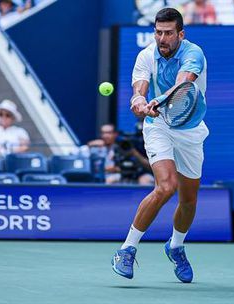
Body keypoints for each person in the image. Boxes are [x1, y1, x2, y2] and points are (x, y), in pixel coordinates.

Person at [111, 8, 209, 283]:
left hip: (190, 129)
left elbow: (183, 84)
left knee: (189, 201)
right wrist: (139, 102)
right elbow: (139, 90)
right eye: (158, 32)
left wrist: (160, 100)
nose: (162, 38)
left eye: (168, 33)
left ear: (180, 34)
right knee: (166, 187)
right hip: (160, 127)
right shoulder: (146, 55)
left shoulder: (193, 53)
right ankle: (126, 249)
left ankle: (176, 246)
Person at [88, 123, 153, 185]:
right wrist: (89, 144)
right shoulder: (95, 147)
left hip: (135, 174)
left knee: (146, 180)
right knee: (110, 179)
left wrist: (134, 153)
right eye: (103, 133)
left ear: (115, 134)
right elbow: (89, 167)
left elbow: (148, 166)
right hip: (110, 176)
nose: (106, 136)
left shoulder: (121, 147)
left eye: (109, 133)